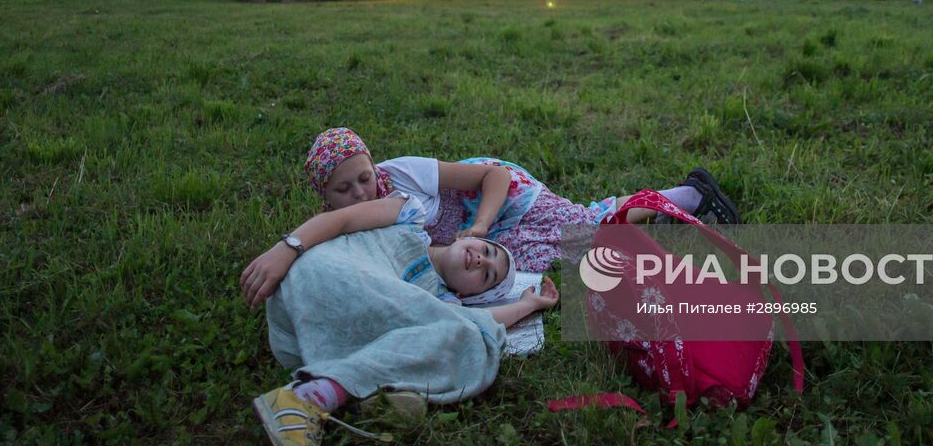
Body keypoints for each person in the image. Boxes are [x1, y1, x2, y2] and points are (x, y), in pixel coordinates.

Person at [244, 181, 555, 442]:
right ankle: (326, 396)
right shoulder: (408, 215)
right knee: (466, 333)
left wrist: (528, 305)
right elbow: (343, 220)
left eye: (487, 276)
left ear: (466, 293)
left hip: (305, 343)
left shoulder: (441, 303)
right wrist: (287, 248)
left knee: (458, 331)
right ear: (469, 237)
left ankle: (324, 393)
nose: (481, 261)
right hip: (315, 279)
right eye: (488, 251)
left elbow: (480, 320)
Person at [260, 128, 740, 280]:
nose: (362, 192)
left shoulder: (399, 174)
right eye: (345, 190)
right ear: (324, 197)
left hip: (495, 199)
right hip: (480, 237)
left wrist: (482, 226)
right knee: (563, 254)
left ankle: (692, 198)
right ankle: (664, 214)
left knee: (584, 226)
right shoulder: (346, 223)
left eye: (363, 178)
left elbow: (493, 177)